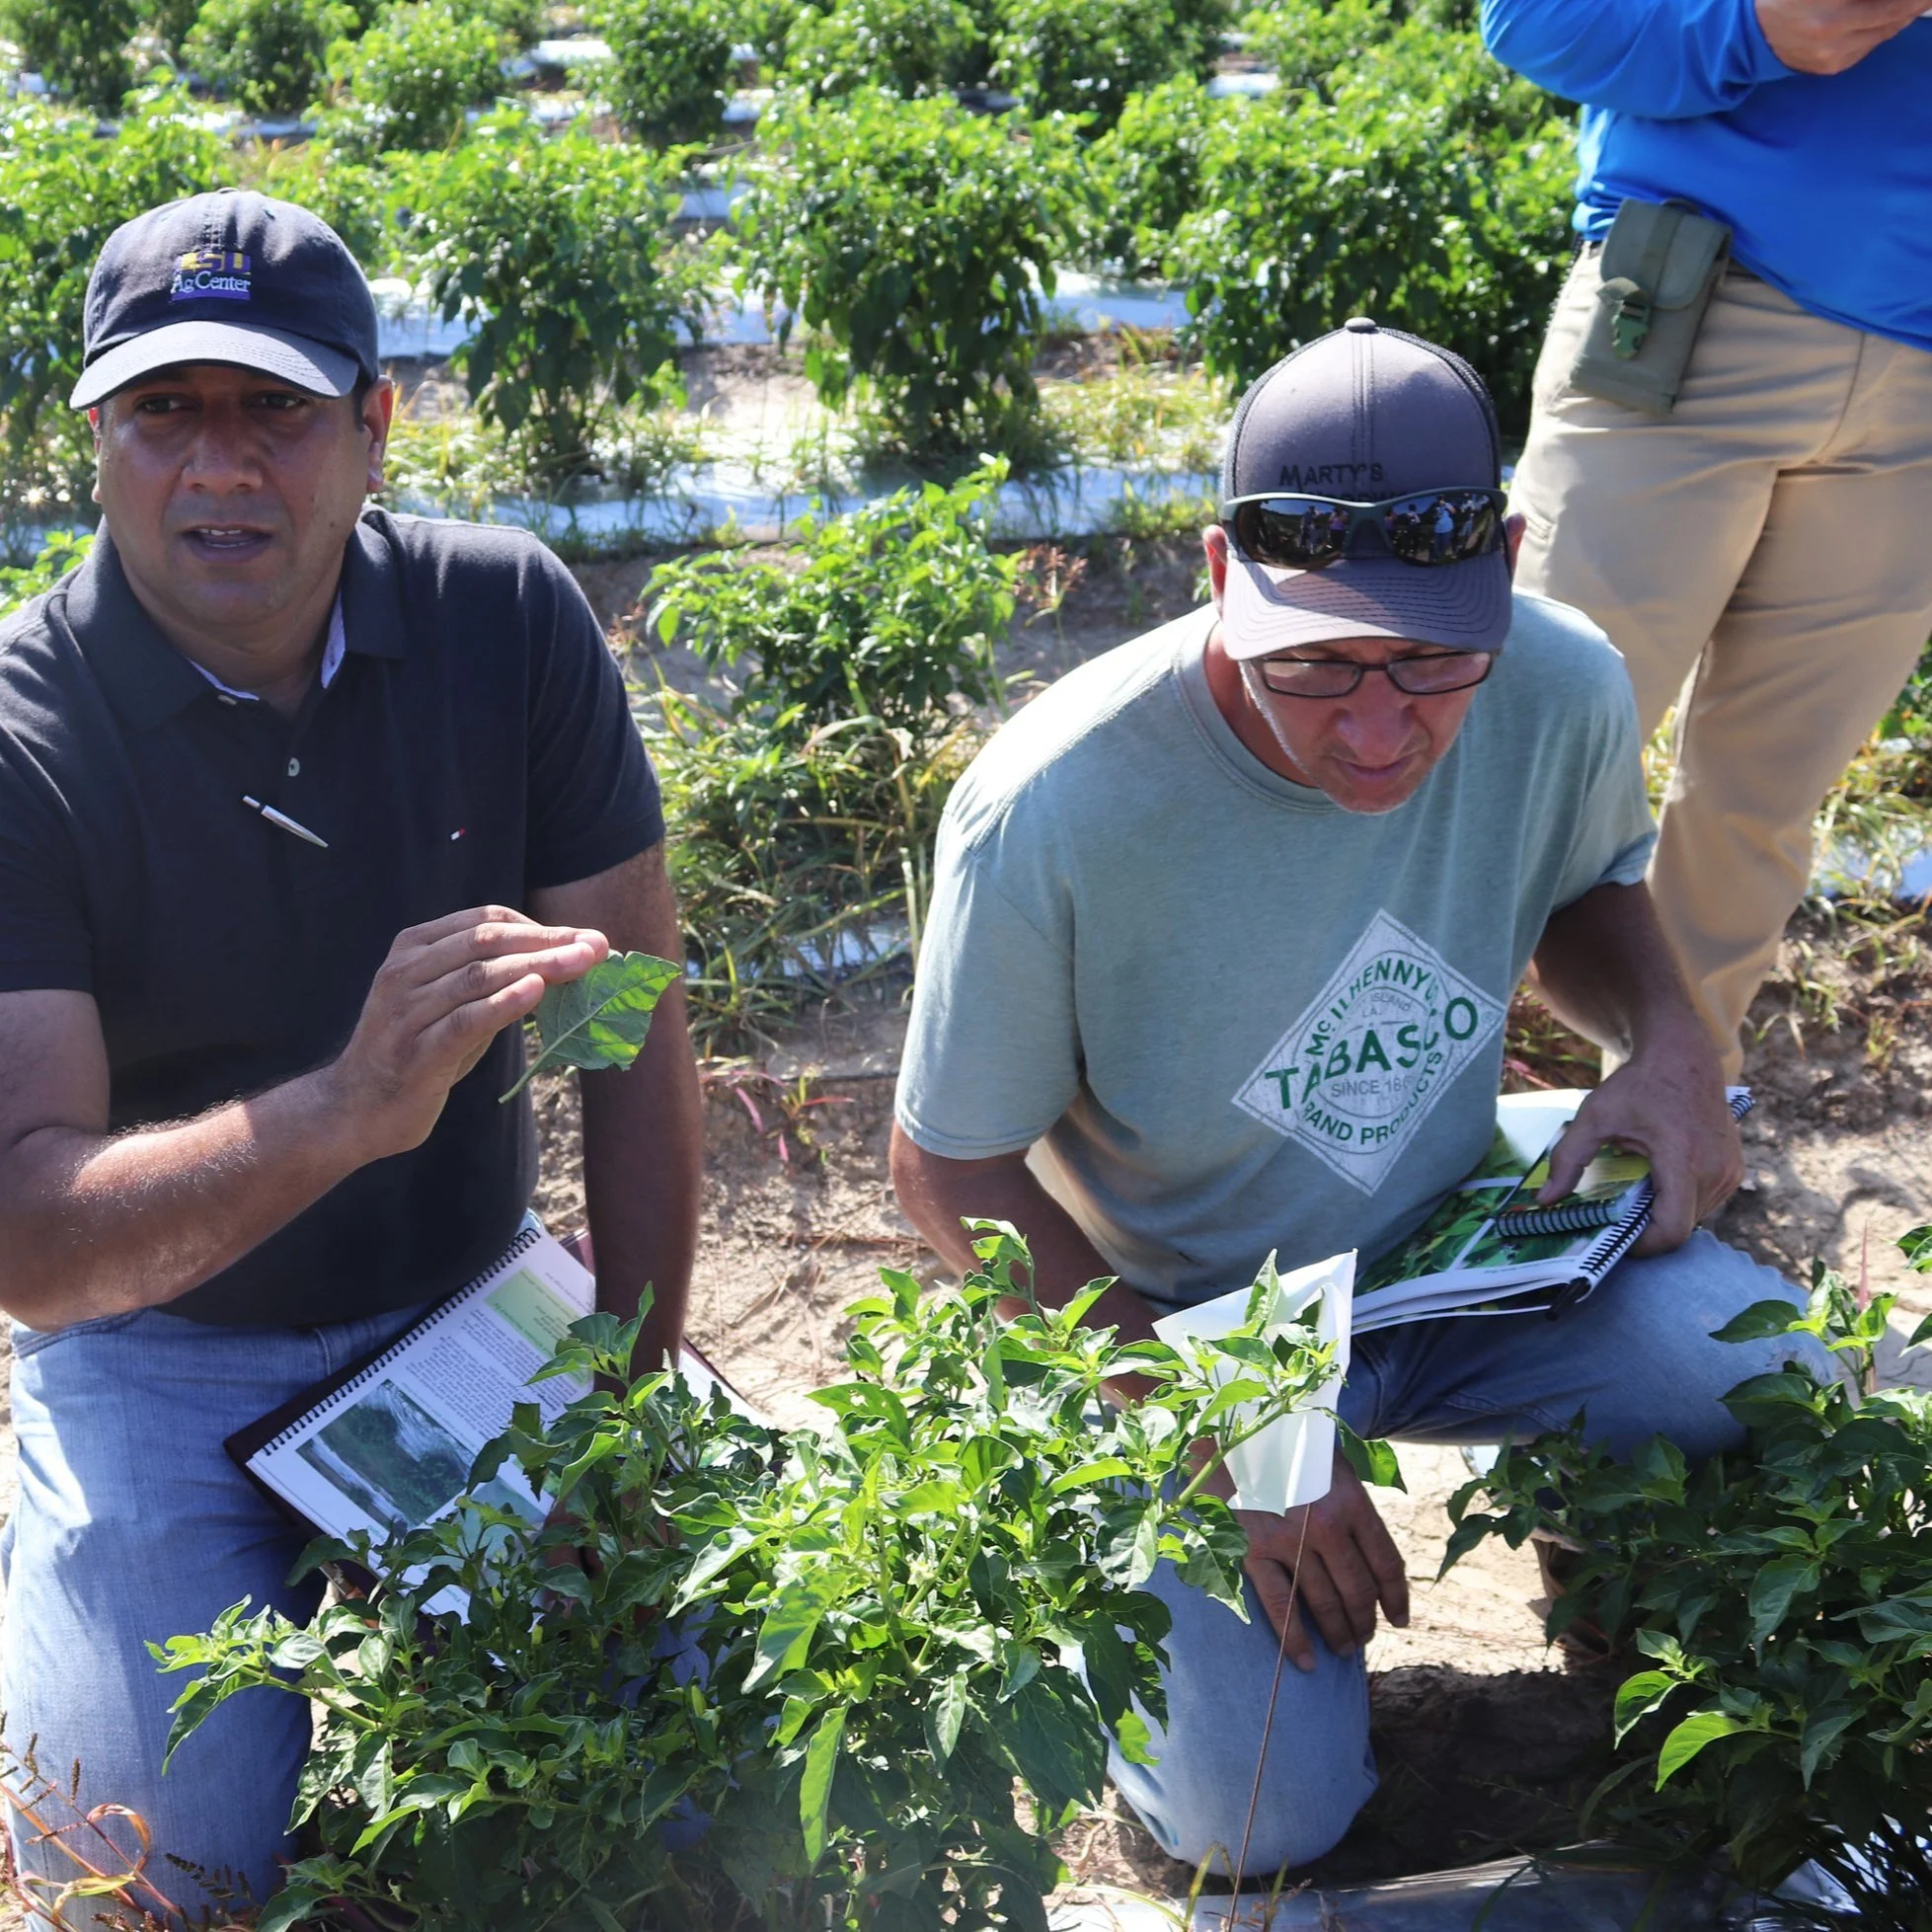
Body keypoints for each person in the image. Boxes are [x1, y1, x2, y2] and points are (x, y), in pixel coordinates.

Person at [889, 321, 1814, 1874]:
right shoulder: (1053, 809)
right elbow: (949, 1175)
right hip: (1183, 1313)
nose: (1380, 729)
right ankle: (1135, 1661)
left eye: (1434, 662)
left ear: (1507, 565)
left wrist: (1664, 1037)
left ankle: (1604, 1574)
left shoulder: (1561, 684)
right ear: (1215, 574)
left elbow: (1585, 891)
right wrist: (1226, 1421)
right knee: (1260, 1820)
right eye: (1315, 663)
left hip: (1445, 1233)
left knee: (1771, 1379)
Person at [0, 190, 704, 1918]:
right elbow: (30, 1248)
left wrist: (615, 1390)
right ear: (92, 437)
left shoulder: (504, 619)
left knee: (685, 1795)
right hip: (156, 1355)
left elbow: (635, 1021)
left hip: (460, 1320)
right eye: (166, 411)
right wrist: (337, 1111)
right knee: (136, 1874)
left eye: (279, 412)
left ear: (375, 429)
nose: (221, 468)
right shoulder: (27, 730)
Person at [1484, 0, 1932, 1078]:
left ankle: (1663, 1138)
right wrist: (1748, 30)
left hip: (1917, 392)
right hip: (1686, 316)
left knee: (1759, 804)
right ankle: (1361, 1128)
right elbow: (1532, 23)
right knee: (1525, 763)